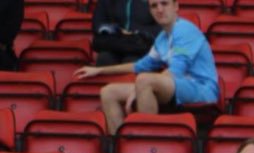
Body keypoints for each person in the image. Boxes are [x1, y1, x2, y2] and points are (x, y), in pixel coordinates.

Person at [72, 0, 219, 135]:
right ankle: (122, 144)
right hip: (178, 87)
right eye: (154, 6)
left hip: (201, 89)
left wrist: (138, 89)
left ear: (176, 6)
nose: (159, 10)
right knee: (108, 92)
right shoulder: (162, 38)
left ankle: (147, 141)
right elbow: (139, 66)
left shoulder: (184, 29)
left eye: (164, 4)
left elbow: (175, 71)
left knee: (144, 80)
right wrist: (99, 70)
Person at [91, 0, 161, 65]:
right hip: (114, 44)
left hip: (142, 45)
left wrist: (136, 32)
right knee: (104, 59)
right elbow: (97, 25)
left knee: (132, 61)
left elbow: (163, 25)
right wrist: (118, 30)